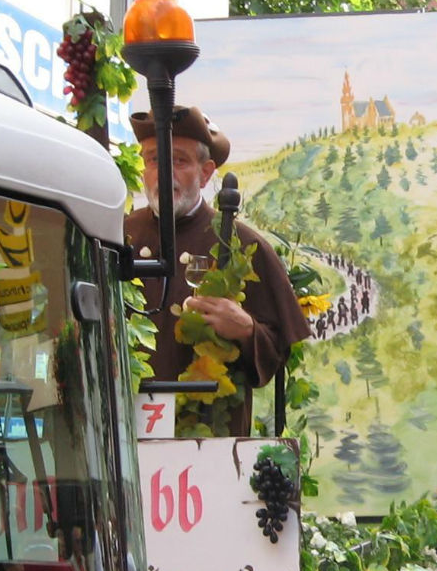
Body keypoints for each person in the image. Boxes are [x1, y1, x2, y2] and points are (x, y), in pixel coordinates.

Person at [126, 105, 310, 436]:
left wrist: (247, 330)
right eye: (154, 160)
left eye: (179, 161)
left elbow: (279, 347)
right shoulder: (119, 234)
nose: (164, 173)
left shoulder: (240, 244)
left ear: (207, 172)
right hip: (122, 436)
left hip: (206, 442)